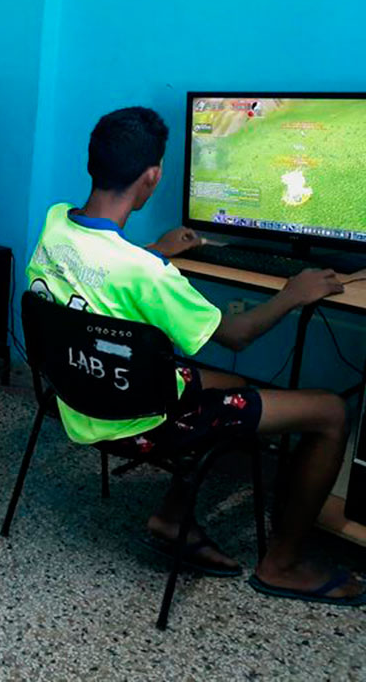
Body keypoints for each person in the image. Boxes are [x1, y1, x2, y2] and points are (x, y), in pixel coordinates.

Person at [26, 106, 364, 605]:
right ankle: (283, 564)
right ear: (153, 176)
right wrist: (293, 292)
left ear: (92, 163)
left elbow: (104, 269)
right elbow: (237, 335)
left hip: (76, 395)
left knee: (228, 386)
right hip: (139, 421)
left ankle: (172, 516)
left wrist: (156, 250)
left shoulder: (57, 223)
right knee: (330, 412)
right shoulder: (147, 275)